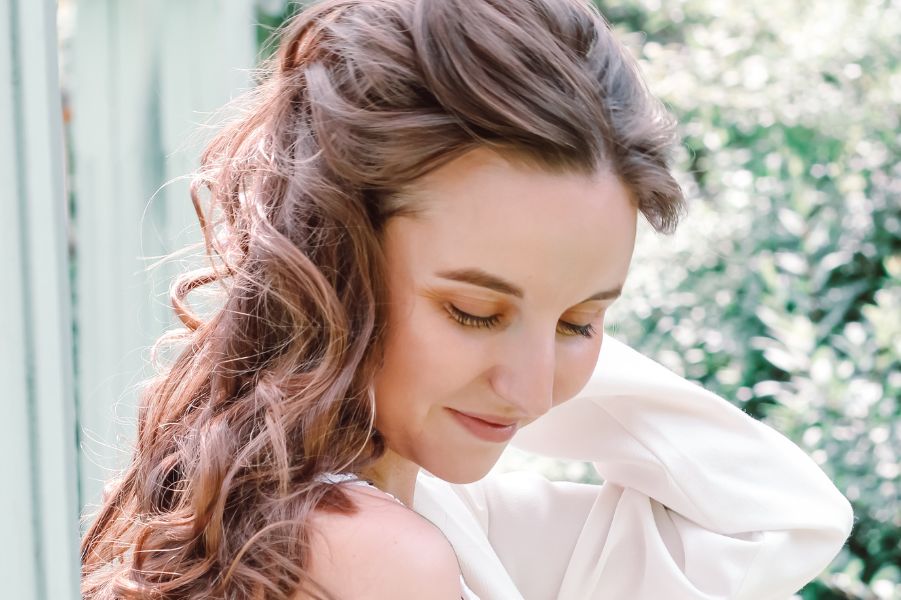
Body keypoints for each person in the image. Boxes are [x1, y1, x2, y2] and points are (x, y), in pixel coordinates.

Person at [80, 0, 853, 598]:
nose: (532, 390)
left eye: (582, 322)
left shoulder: (396, 513)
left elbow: (779, 517)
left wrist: (522, 311)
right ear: (335, 257)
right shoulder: (382, 553)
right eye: (474, 312)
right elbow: (776, 523)